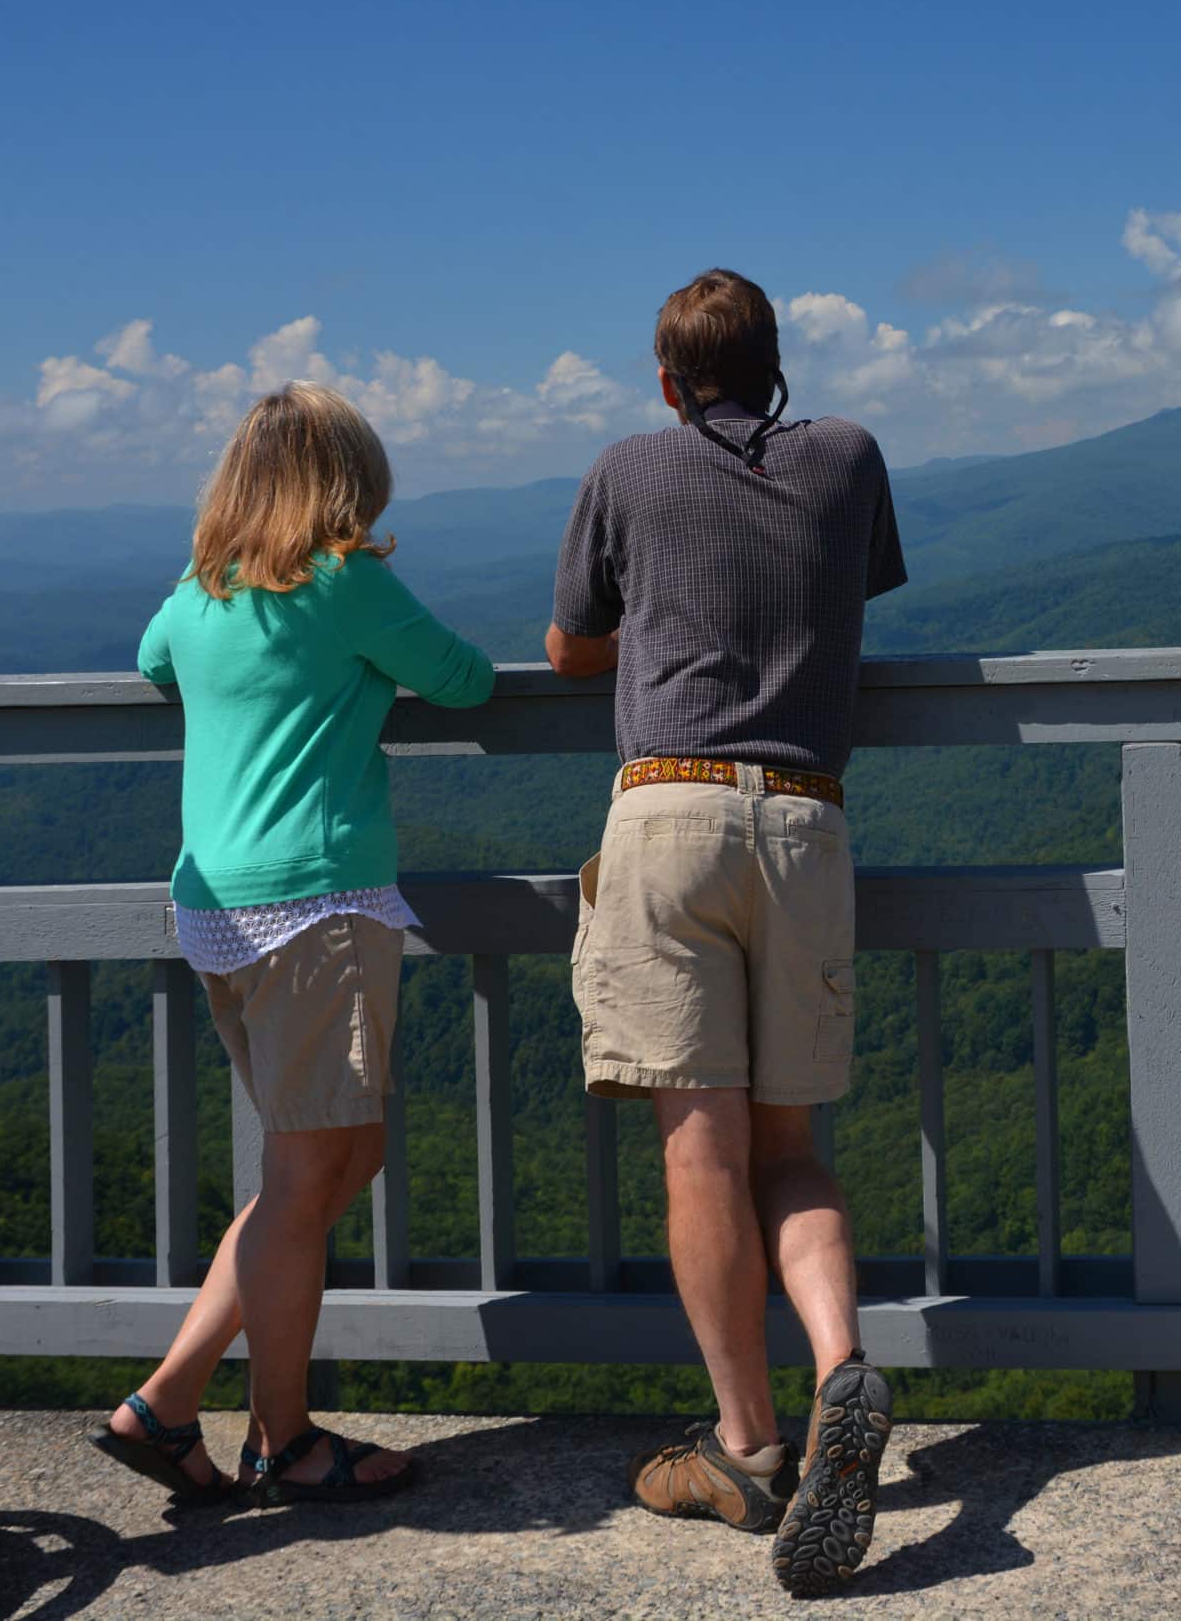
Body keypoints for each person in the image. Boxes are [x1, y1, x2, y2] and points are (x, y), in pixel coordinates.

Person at [548, 268, 906, 1594]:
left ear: (665, 379)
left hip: (670, 812)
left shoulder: (626, 468)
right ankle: (841, 1367)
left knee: (699, 1155)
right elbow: (845, 588)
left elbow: (572, 643)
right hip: (806, 818)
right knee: (790, 1145)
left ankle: (747, 1447)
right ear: (777, 365)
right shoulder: (852, 456)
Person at [92, 381, 494, 1508]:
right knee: (312, 1173)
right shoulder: (341, 580)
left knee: (317, 1168)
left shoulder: (198, 592)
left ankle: (168, 1403)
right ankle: (281, 1438)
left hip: (215, 909)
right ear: (344, 484)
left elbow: (150, 665)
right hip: (317, 904)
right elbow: (461, 680)